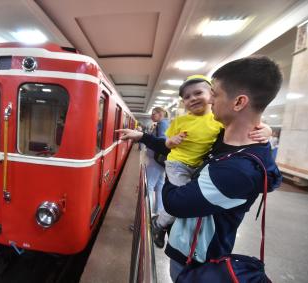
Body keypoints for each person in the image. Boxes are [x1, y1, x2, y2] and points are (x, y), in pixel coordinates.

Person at [117, 55, 283, 282]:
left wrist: (171, 164)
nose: (210, 101)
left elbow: (175, 202)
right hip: (190, 248)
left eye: (215, 94)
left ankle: (159, 225)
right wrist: (144, 137)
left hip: (198, 259)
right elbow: (181, 149)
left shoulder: (238, 171)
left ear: (238, 102)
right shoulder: (223, 142)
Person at [153, 74, 272, 249]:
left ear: (211, 95)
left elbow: (247, 125)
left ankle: (160, 222)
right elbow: (167, 143)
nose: (192, 99)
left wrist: (266, 130)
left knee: (183, 200)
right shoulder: (180, 120)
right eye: (186, 97)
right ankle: (159, 225)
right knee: (179, 200)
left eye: (198, 93)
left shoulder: (218, 120)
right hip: (177, 164)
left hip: (197, 166)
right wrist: (173, 141)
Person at [145, 107, 169, 216]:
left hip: (156, 161)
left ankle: (147, 214)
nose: (151, 116)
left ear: (160, 114)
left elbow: (162, 141)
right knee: (159, 186)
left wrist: (148, 140)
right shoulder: (164, 123)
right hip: (159, 161)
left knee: (149, 186)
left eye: (153, 114)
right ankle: (158, 212)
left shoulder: (162, 124)